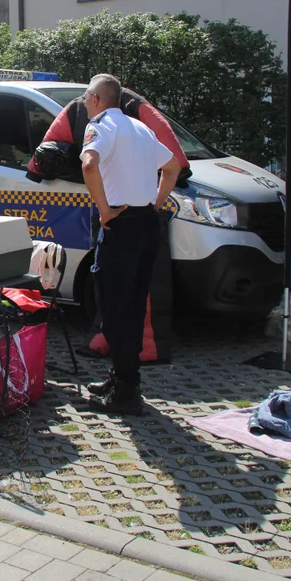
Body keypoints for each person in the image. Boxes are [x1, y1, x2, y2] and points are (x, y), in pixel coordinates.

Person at [80, 74, 181, 415]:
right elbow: (172, 167)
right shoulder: (140, 128)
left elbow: (88, 163)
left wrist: (103, 209)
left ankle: (126, 393)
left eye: (85, 96)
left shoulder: (101, 126)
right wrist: (154, 202)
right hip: (146, 226)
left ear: (96, 99)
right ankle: (124, 377)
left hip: (120, 227)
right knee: (134, 307)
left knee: (115, 307)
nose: (83, 101)